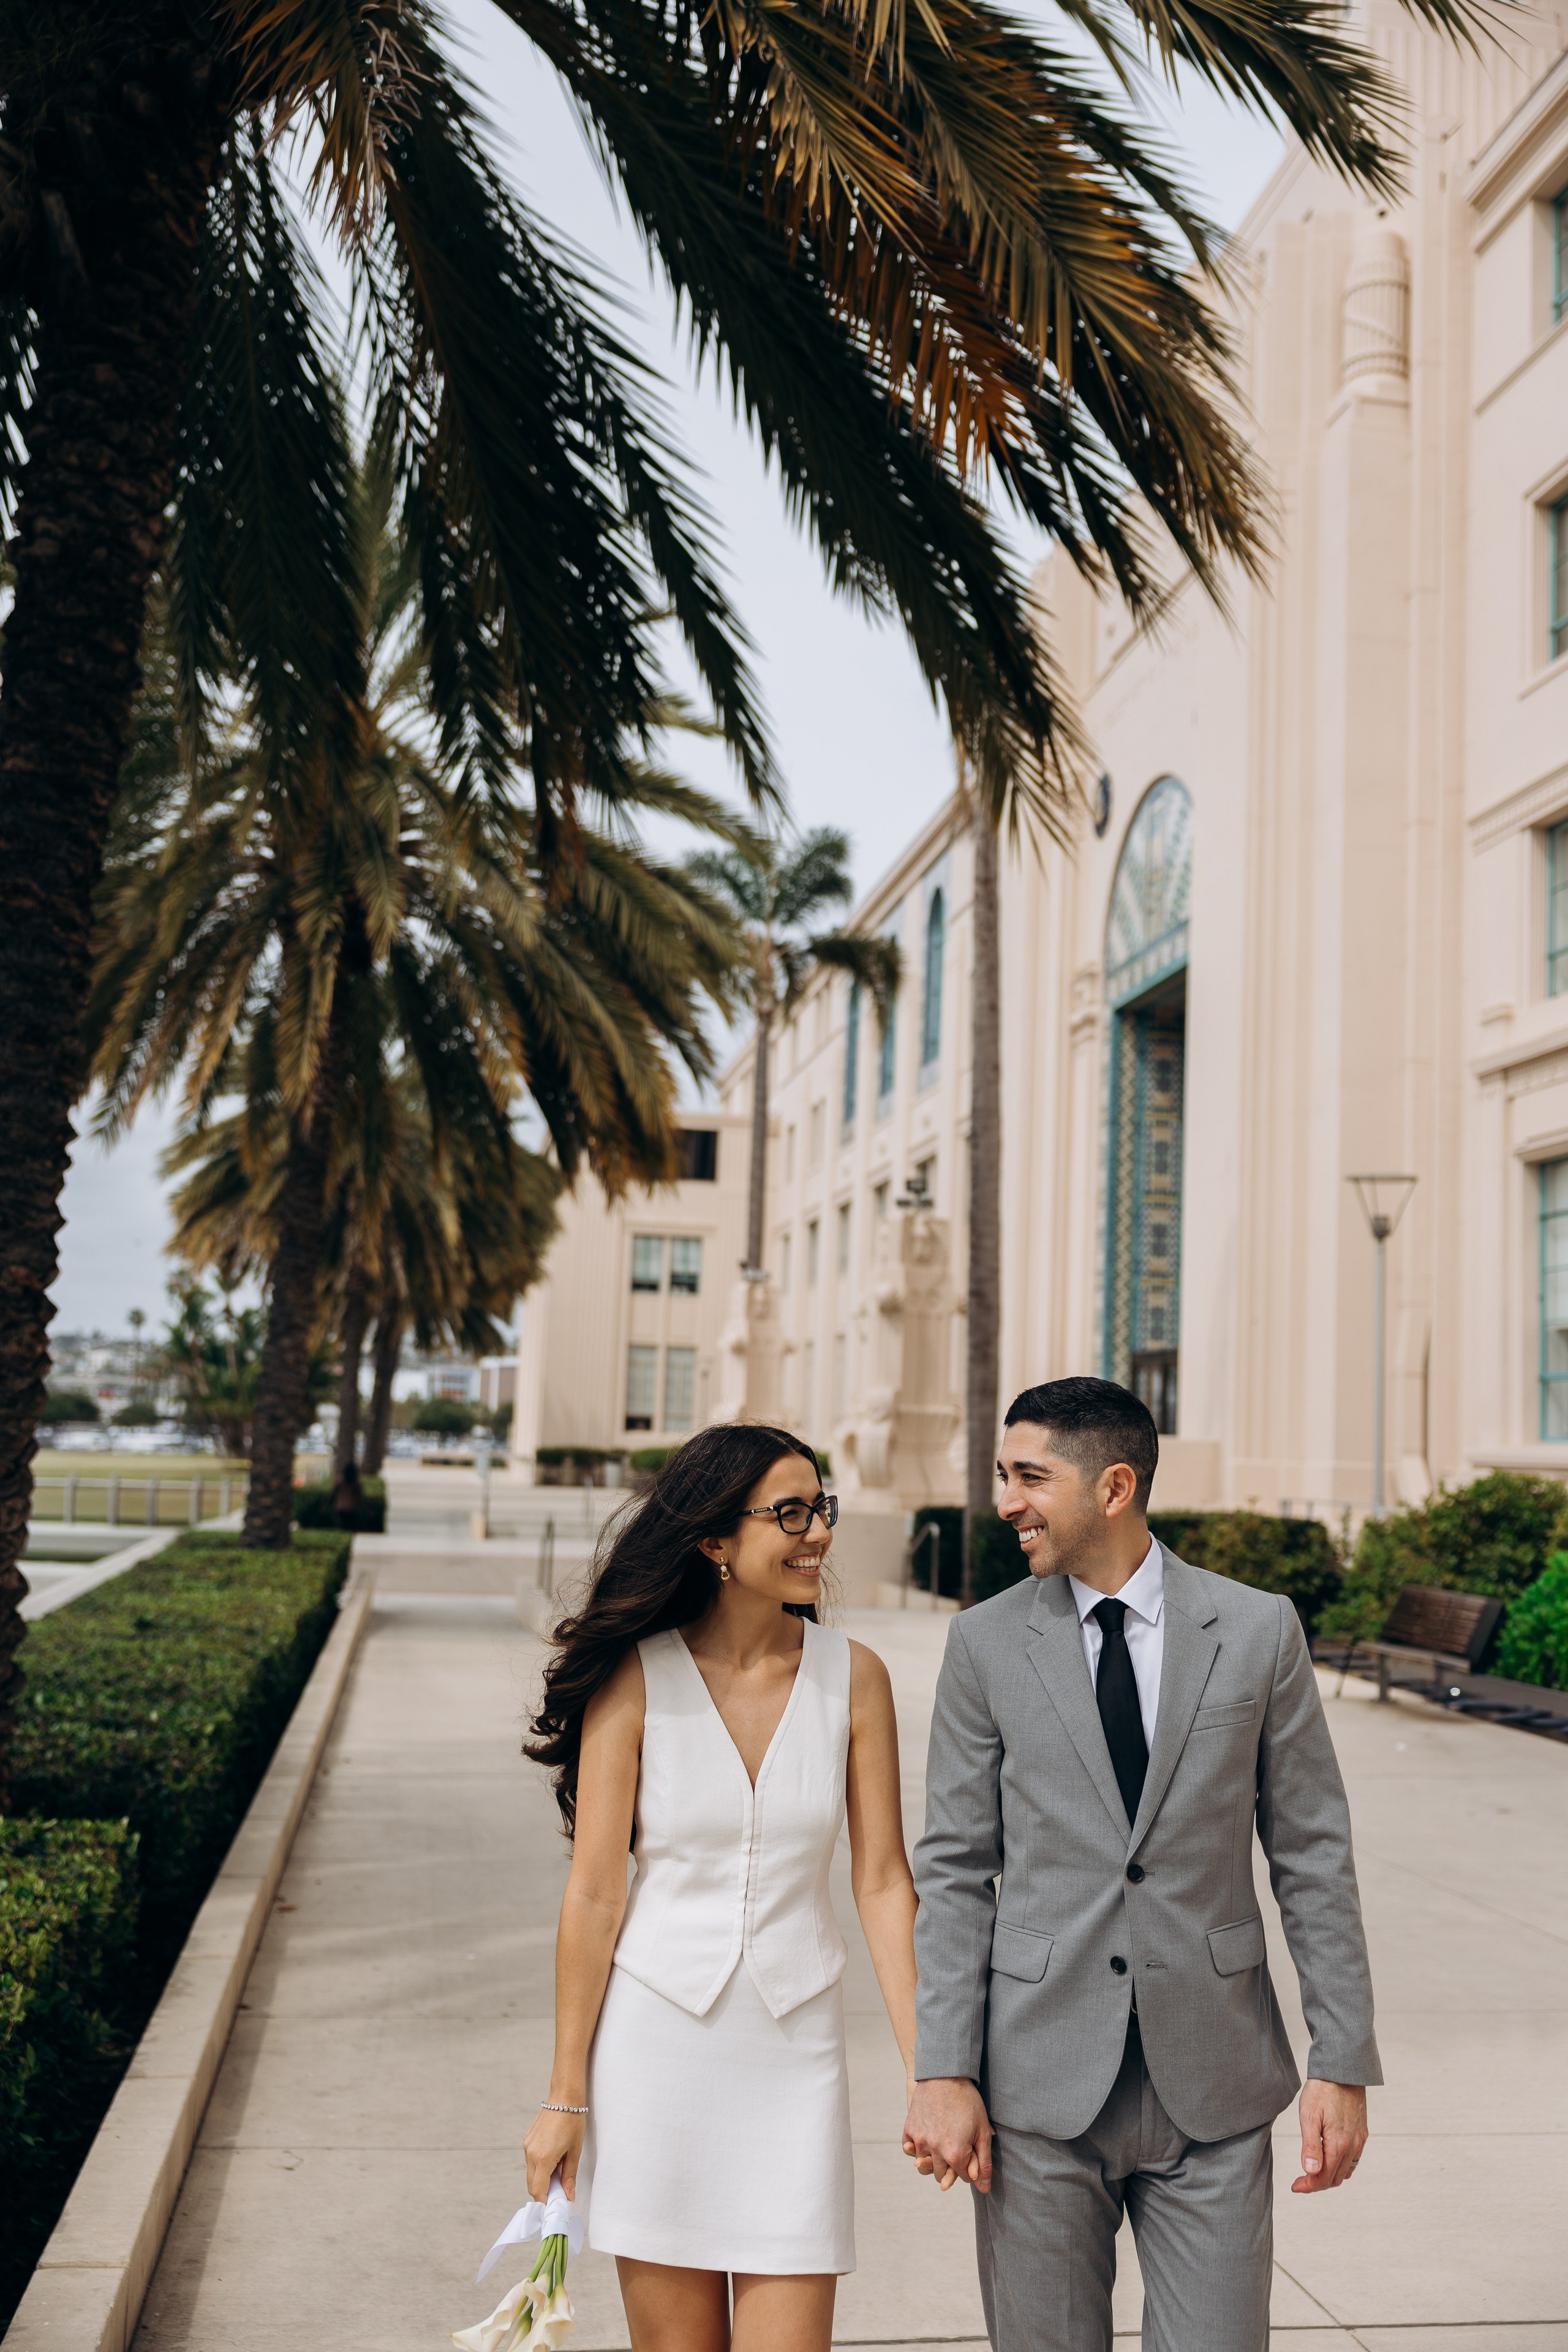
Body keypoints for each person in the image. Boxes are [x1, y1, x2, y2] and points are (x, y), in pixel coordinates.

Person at [903, 1376, 1381, 2352]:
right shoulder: (984, 1644)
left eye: (1029, 1477)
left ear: (1114, 1487)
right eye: (1004, 1474)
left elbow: (1312, 1853)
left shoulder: (1258, 1630)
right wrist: (944, 2068)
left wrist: (1343, 2057)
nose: (1005, 1502)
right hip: (1035, 2087)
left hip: (1216, 2080)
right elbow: (954, 1869)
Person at [523, 1422, 921, 2352]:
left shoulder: (853, 1679)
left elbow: (883, 1883)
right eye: (789, 1512)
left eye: (820, 1507)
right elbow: (594, 1897)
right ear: (713, 1541)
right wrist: (563, 2097)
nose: (816, 1532)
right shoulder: (636, 1677)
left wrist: (927, 2068)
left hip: (796, 2060)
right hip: (657, 2056)